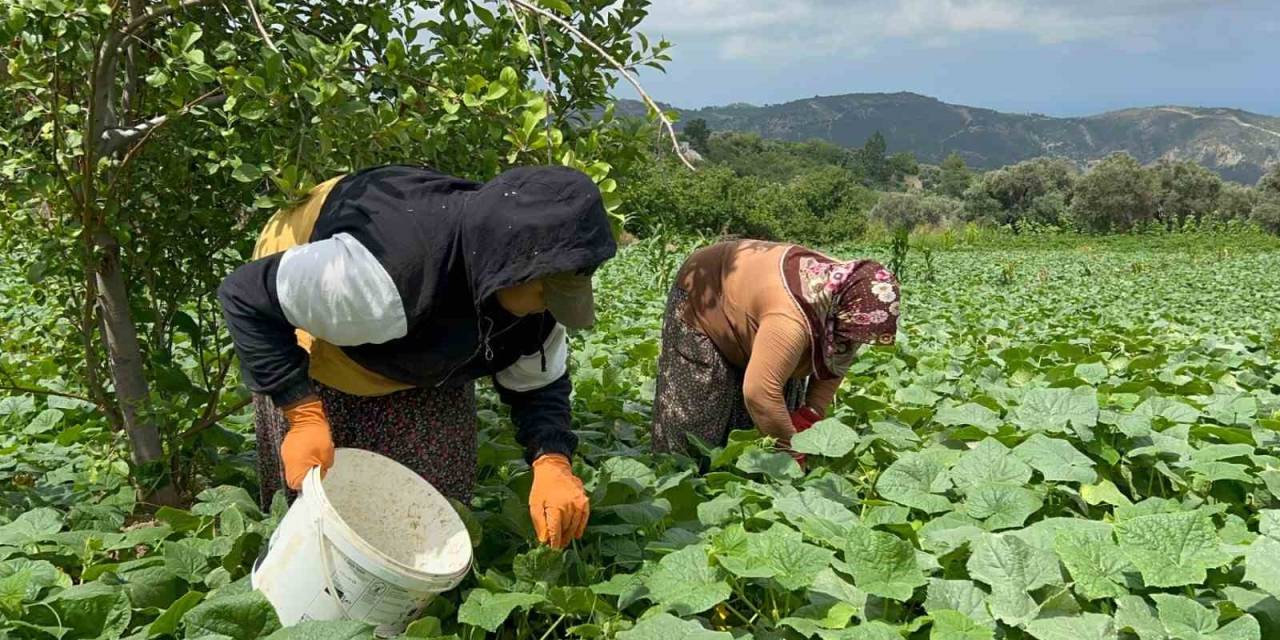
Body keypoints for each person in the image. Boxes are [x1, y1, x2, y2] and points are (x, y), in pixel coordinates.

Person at [218, 164, 615, 549]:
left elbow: (538, 385)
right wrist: (301, 412)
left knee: (438, 497)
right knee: (324, 496)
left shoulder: (533, 297)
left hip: (425, 316)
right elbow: (246, 297)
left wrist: (552, 460)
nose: (548, 309)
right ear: (509, 267)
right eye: (546, 294)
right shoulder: (380, 274)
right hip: (315, 298)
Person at [651, 240, 899, 458]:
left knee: (772, 414)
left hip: (756, 300)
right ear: (839, 313)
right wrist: (791, 449)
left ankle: (740, 470)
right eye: (849, 333)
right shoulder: (791, 321)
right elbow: (759, 393)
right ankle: (682, 485)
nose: (852, 342)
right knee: (698, 412)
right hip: (705, 289)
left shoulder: (851, 290)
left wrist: (811, 413)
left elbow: (839, 355)